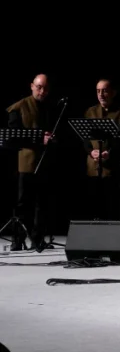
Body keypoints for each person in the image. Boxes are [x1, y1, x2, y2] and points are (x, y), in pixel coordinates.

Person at [6, 74, 57, 251]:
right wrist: (39, 140)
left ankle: (37, 239)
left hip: (44, 162)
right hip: (25, 163)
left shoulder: (49, 108)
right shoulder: (19, 107)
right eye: (39, 87)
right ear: (31, 86)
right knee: (22, 203)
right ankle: (17, 239)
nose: (42, 91)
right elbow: (13, 136)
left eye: (45, 88)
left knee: (41, 203)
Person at [82, 79, 120, 220]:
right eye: (98, 91)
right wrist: (90, 151)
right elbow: (85, 137)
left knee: (111, 203)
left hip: (113, 165)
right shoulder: (91, 111)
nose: (101, 94)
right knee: (93, 203)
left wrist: (110, 153)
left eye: (104, 91)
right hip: (92, 164)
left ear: (113, 92)